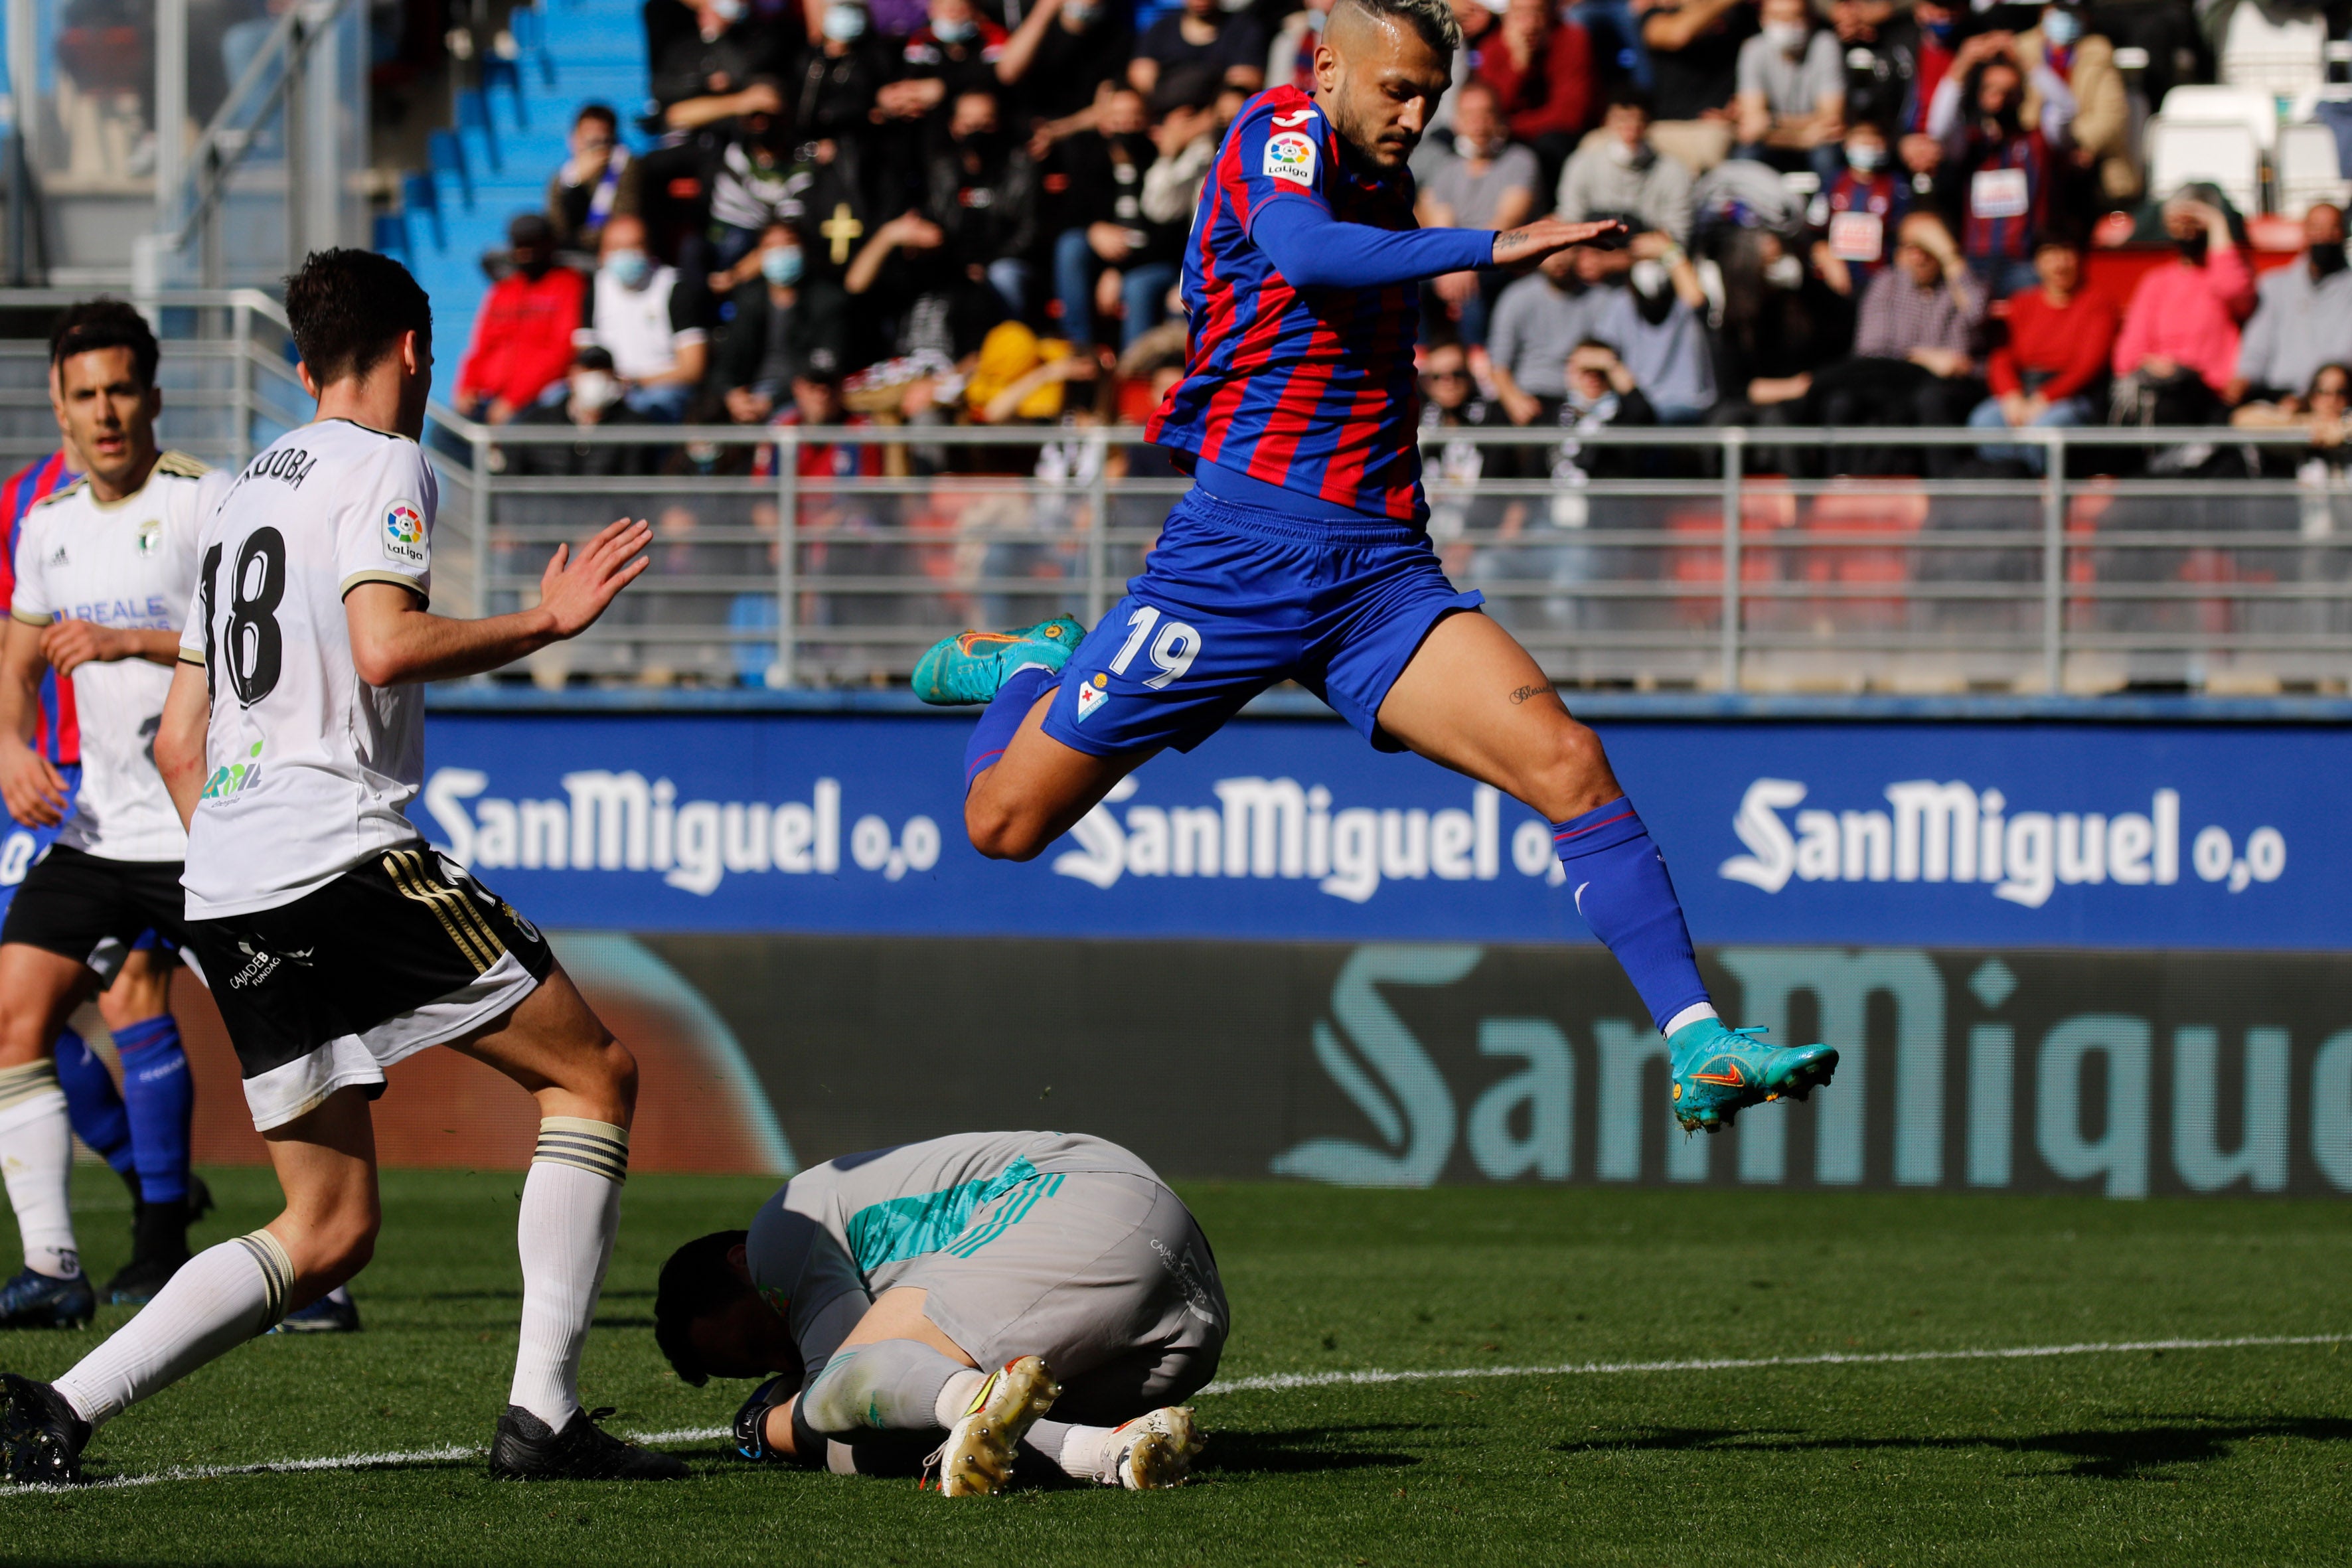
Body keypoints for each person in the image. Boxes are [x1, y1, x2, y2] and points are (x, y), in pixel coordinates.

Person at [911, 0, 1837, 1140]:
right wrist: (1493, 244)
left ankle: (1698, 1042)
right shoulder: (1277, 128)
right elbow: (1300, 249)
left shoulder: (1380, 185)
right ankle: (1031, 669)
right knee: (1001, 825)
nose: (1414, 115)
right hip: (1236, 563)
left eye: (1430, 97)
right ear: (1325, 67)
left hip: (1378, 577)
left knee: (1566, 760)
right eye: (1394, 89)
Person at [0, 250, 668, 1486]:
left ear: (307, 359)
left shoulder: (239, 491)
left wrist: (247, 868)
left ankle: (55, 1406)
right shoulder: (389, 461)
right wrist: (546, 621)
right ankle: (543, 1416)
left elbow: (179, 738)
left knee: (328, 1227)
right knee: (591, 1076)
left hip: (231, 875)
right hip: (335, 849)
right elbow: (384, 646)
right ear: (415, 348)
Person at [0, 304, 219, 1326]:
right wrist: (11, 744)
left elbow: (254, 646)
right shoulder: (45, 527)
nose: (105, 411)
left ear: (153, 397)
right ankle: (54, 1265)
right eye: (85, 394)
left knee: (285, 1040)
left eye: (121, 389)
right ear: (59, 405)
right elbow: (18, 655)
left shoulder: (205, 503)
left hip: (201, 829)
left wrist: (131, 645)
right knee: (14, 1019)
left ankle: (319, 1265)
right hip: (93, 831)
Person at [655, 1130, 1226, 1494]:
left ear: (741, 1262)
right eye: (765, 1371)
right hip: (1186, 1321)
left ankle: (971, 1400)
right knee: (890, 1433)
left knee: (846, 1403)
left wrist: (763, 1425)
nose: (786, 1362)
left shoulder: (781, 1225)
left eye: (762, 1343)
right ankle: (1116, 1450)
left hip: (1080, 1202)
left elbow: (836, 1391)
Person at [1927, 33, 2072, 301]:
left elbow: (2066, 107)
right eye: (1993, 90)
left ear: (2021, 96)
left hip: (2025, 263)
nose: (2001, 98)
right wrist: (1963, 64)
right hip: (1975, 263)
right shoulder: (1971, 144)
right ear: (1980, 96)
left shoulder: (2038, 142)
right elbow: (1939, 128)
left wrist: (2025, 59)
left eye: (2009, 91)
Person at [1968, 234, 2115, 471]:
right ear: (2037, 263)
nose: (2059, 264)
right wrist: (2011, 396)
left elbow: (2088, 365)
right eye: (2050, 255)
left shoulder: (2097, 304)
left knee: (2043, 431)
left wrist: (2045, 399)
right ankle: (2013, 485)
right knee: (1984, 421)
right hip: (2023, 390)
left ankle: (2045, 496)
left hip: (2071, 397)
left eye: (2066, 253)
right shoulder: (2022, 303)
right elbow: (2001, 357)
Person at [1052, 87, 1183, 351]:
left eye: (1134, 118)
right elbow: (1068, 215)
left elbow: (1171, 236)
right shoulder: (1088, 159)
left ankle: (1133, 373)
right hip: (1104, 258)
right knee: (1072, 245)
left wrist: (1119, 272)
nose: (1126, 125)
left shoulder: (1161, 161)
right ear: (1104, 122)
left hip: (1153, 262)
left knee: (1137, 287)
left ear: (1147, 120)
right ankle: (1081, 351)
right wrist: (1093, 230)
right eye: (1118, 118)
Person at [2110, 189, 2253, 426]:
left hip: (2209, 394)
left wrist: (2217, 222)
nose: (2187, 229)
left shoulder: (2225, 274)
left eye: (2194, 221)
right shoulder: (2156, 281)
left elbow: (2234, 291)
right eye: (2178, 222)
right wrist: (2152, 363)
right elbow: (2126, 355)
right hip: (2161, 393)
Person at [1417, 78, 1540, 345]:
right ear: (1458, 121)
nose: (1479, 123)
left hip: (1500, 257)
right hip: (1455, 261)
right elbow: (1440, 226)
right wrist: (1451, 267)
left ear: (1499, 117)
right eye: (1470, 115)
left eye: (1486, 113)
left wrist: (1467, 264)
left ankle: (1478, 361)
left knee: (1472, 293)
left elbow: (1507, 220)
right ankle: (1422, 361)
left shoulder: (1520, 162)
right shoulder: (1444, 169)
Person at [453, 214, 589, 426]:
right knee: (444, 435)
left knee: (517, 430)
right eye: (519, 244)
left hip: (537, 397)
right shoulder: (503, 291)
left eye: (532, 243)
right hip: (491, 396)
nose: (526, 252)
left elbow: (562, 351)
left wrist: (514, 399)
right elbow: (481, 347)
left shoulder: (569, 285)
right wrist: (467, 387)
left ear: (549, 244)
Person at [580, 214, 710, 423]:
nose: (624, 255)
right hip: (609, 387)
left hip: (660, 390)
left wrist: (637, 382)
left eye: (633, 246)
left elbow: (693, 368)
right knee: (556, 400)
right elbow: (584, 355)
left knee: (639, 413)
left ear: (649, 250)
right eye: (616, 247)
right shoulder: (596, 287)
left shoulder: (674, 288)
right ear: (602, 253)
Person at [2229, 204, 2352, 412]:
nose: (2324, 236)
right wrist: (2244, 378)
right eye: (2316, 228)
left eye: (2333, 228)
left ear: (2343, 234)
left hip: (2336, 399)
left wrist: (2316, 396)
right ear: (2305, 233)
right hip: (2279, 397)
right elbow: (2258, 345)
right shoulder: (2274, 286)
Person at [1473, 0, 1595, 193]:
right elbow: (1490, 108)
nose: (1529, 24)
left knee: (1549, 145)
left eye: (1536, 13)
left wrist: (1512, 127)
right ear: (1507, 17)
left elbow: (1571, 115)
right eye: (1520, 14)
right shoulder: (1492, 47)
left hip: (1547, 137)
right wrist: (1518, 67)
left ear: (1550, 14)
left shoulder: (1573, 39)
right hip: (1504, 135)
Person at [1489, 245, 1618, 426]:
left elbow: (1606, 356)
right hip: (1529, 394)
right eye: (1551, 252)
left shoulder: (1601, 299)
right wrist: (1513, 400)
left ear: (1578, 254)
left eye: (1565, 250)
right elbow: (1498, 362)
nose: (1559, 259)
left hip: (1581, 398)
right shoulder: (1517, 297)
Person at [1556, 88, 1696, 244]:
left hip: (1646, 259)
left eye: (1638, 120)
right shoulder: (1581, 164)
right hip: (1590, 252)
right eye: (1621, 120)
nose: (1630, 128)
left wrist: (1628, 257)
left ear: (1649, 124)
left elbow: (1678, 233)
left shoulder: (1673, 171)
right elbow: (1569, 218)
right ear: (1606, 123)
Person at [1733, 0, 1845, 181]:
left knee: (1827, 157)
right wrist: (1804, 138)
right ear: (1763, 19)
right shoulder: (1753, 49)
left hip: (1813, 144)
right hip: (1789, 141)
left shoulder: (1826, 44)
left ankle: (1831, 206)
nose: (1786, 23)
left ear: (1810, 19)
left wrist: (1770, 124)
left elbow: (1831, 120)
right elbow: (1751, 125)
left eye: (1795, 16)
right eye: (1777, 16)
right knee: (1745, 156)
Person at [1640, 0, 1752, 173]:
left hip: (1712, 128)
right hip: (1664, 126)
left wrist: (1742, 105)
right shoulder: (1656, 15)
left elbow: (1761, 62)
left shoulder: (1741, 18)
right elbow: (1678, 35)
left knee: (1713, 144)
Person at [1131, 0, 1266, 98]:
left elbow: (1242, 89)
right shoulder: (1159, 30)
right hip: (1161, 121)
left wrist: (1198, 124)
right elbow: (1141, 82)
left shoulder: (1244, 30)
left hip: (1218, 125)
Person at [546, 104, 629, 253]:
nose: (592, 149)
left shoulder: (626, 169)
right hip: (570, 253)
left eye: (600, 142)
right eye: (588, 140)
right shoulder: (562, 177)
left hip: (611, 253)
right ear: (573, 140)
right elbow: (558, 229)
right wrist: (576, 184)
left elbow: (624, 222)